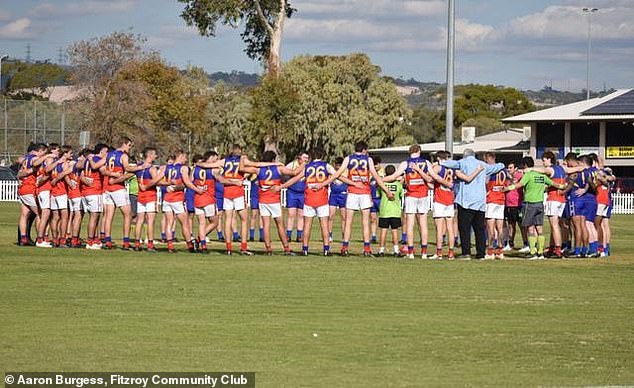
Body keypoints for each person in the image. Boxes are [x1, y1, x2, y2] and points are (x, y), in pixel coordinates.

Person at [331, 141, 393, 256]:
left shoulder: (348, 158)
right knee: (365, 222)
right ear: (364, 150)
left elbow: (338, 174)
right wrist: (387, 190)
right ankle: (366, 249)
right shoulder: (368, 159)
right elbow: (376, 177)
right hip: (365, 192)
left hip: (352, 193)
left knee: (348, 222)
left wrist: (352, 183)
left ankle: (344, 248)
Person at [440, 149, 505, 259]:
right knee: (479, 229)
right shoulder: (483, 165)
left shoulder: (462, 162)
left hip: (466, 202)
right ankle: (481, 253)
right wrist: (501, 164)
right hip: (480, 202)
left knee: (464, 229)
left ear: (464, 155)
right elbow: (497, 167)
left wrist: (440, 162)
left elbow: (447, 163)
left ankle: (466, 252)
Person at [503, 156, 565, 259]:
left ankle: (533, 251)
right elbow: (555, 184)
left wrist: (507, 188)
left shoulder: (528, 175)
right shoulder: (542, 176)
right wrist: (564, 186)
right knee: (539, 229)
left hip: (529, 203)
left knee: (530, 228)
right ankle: (540, 252)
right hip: (540, 204)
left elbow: (519, 185)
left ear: (525, 165)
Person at [281, 148, 340, 256]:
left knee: (307, 226)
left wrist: (282, 186)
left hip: (309, 199)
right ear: (322, 156)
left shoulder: (307, 167)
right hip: (322, 200)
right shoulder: (326, 166)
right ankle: (326, 249)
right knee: (324, 226)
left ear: (312, 157)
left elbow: (295, 178)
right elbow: (336, 175)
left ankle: (305, 249)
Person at [383, 144, 438, 259]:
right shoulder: (426, 163)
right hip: (423, 195)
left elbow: (394, 176)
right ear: (419, 151)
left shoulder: (405, 163)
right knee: (423, 225)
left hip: (411, 195)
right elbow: (431, 178)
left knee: (410, 224)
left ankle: (411, 252)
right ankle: (423, 252)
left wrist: (380, 180)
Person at [243, 151, 298, 255]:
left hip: (263, 200)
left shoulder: (258, 169)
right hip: (274, 200)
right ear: (273, 160)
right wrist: (304, 163)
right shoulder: (278, 168)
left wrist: (245, 160)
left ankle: (268, 248)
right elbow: (294, 172)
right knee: (280, 225)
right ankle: (286, 248)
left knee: (266, 225)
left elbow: (242, 168)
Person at [430, 151, 483, 259]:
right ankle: (451, 252)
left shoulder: (438, 168)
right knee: (450, 228)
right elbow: (466, 178)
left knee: (439, 227)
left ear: (440, 159)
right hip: (450, 199)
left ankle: (439, 252)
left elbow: (430, 179)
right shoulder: (455, 170)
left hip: (440, 199)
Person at [160, 150, 204, 253]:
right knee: (184, 224)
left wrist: (167, 184)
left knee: (169, 222)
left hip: (167, 198)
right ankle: (190, 246)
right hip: (177, 199)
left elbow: (157, 180)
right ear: (181, 156)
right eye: (185, 157)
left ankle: (170, 247)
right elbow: (187, 182)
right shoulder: (183, 168)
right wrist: (197, 189)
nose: (185, 160)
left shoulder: (166, 167)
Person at [134, 147, 164, 252]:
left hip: (140, 196)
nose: (156, 156)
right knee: (150, 221)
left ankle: (137, 243)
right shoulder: (152, 168)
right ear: (150, 155)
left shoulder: (139, 167)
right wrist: (165, 179)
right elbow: (157, 181)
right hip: (150, 196)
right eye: (155, 154)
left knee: (140, 220)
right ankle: (150, 244)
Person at [17, 143, 47, 246]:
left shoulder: (25, 159)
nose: (44, 155)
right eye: (44, 152)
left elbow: (19, 173)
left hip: (22, 189)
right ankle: (40, 238)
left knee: (24, 214)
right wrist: (46, 157)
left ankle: (23, 238)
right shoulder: (34, 158)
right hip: (29, 188)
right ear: (39, 151)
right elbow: (35, 163)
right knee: (40, 214)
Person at [81, 143, 109, 250]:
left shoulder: (88, 159)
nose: (107, 154)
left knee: (95, 217)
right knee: (94, 217)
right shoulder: (96, 159)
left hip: (86, 192)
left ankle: (95, 239)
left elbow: (82, 173)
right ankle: (90, 241)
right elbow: (100, 170)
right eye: (106, 152)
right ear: (101, 152)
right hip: (94, 191)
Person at [484, 152, 508, 260]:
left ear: (490, 158)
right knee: (500, 228)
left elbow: (486, 182)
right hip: (501, 200)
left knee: (490, 227)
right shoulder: (503, 169)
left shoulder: (491, 169)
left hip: (492, 199)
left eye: (486, 159)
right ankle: (500, 250)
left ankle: (490, 250)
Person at [377, 165, 403, 257]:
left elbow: (378, 194)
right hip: (395, 211)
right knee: (394, 231)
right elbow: (400, 196)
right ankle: (396, 250)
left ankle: (381, 251)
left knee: (383, 231)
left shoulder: (382, 184)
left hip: (384, 210)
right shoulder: (398, 184)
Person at [285, 151, 309, 242]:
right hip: (292, 192)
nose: (306, 159)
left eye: (307, 158)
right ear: (299, 157)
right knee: (291, 214)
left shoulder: (308, 166)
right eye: (304, 157)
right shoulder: (292, 165)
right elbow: (284, 173)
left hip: (302, 193)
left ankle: (299, 235)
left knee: (301, 214)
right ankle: (288, 235)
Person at [502, 161, 527, 252]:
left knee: (522, 225)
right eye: (508, 168)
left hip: (518, 204)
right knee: (511, 225)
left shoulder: (520, 175)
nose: (508, 170)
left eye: (510, 168)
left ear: (515, 168)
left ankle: (526, 244)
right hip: (509, 204)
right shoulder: (506, 178)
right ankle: (510, 243)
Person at [328, 156, 347, 243]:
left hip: (343, 195)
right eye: (336, 165)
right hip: (333, 195)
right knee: (331, 216)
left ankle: (344, 236)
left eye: (339, 165)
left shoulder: (346, 172)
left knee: (344, 217)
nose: (337, 167)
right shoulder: (331, 173)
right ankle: (329, 235)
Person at [369, 155, 384, 244]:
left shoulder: (383, 172)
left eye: (376, 165)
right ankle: (373, 236)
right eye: (373, 165)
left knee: (383, 218)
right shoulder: (370, 173)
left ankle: (383, 235)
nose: (375, 167)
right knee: (373, 218)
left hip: (380, 198)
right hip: (372, 198)